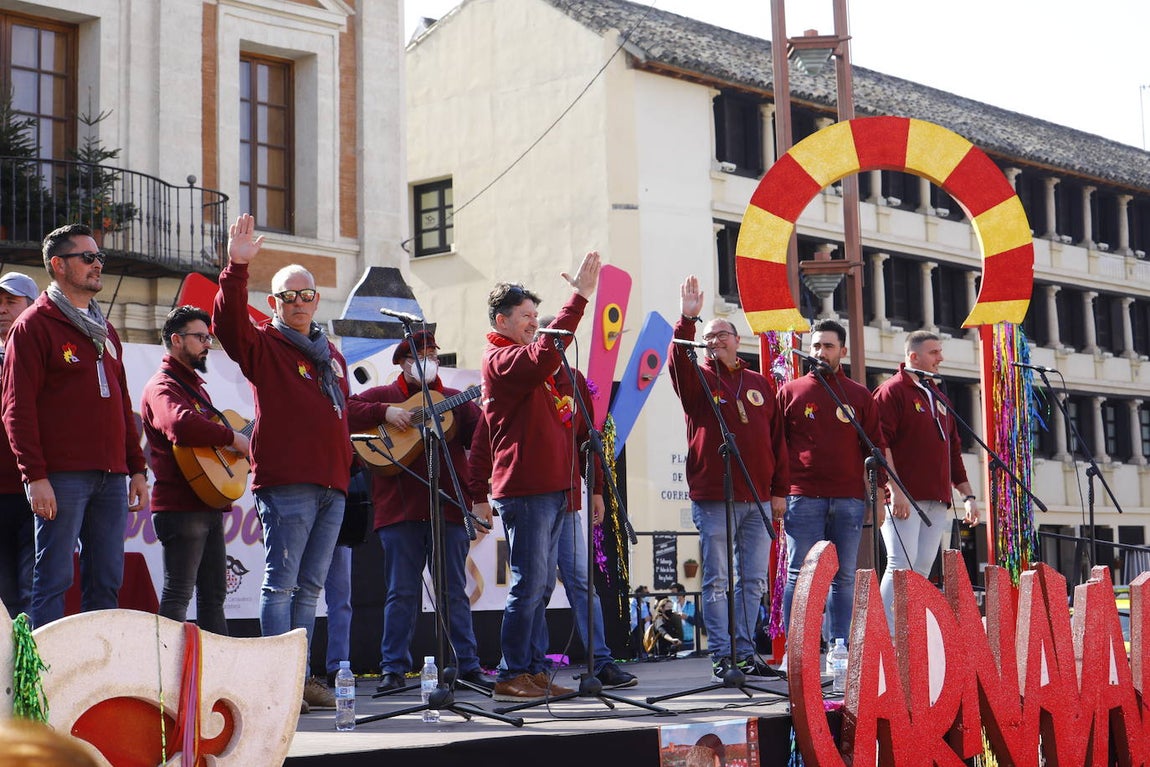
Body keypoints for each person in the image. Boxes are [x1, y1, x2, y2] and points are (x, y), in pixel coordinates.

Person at [213, 213, 378, 714]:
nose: (302, 303)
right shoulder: (265, 345)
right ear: (275, 304)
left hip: (333, 483)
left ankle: (300, 679)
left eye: (309, 295)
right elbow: (229, 327)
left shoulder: (331, 355)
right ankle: (274, 682)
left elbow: (344, 410)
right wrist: (235, 269)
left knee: (310, 590)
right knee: (281, 584)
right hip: (287, 483)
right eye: (291, 296)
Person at [468, 318, 637, 691]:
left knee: (580, 580)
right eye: (549, 340)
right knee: (535, 585)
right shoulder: (518, 377)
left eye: (560, 341)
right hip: (530, 494)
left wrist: (593, 490)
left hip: (566, 499)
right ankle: (528, 668)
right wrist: (478, 494)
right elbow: (485, 439)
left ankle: (600, 662)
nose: (554, 347)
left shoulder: (573, 379)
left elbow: (586, 440)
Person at [2, 225, 148, 628]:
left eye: (99, 257)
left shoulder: (107, 330)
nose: (98, 264)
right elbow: (17, 408)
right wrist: (34, 476)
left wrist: (136, 467)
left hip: (112, 477)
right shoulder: (33, 325)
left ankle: (97, 682)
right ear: (58, 265)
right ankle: (42, 685)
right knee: (51, 581)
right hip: (61, 477)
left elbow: (122, 403)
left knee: (106, 583)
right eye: (87, 257)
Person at [479, 253, 604, 702]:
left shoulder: (535, 366)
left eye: (537, 315)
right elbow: (543, 354)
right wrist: (579, 300)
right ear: (502, 320)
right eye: (527, 317)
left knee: (540, 585)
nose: (535, 323)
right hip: (526, 489)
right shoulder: (501, 360)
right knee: (528, 584)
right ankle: (512, 673)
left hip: (552, 489)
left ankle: (530, 670)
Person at [349, 329, 493, 693]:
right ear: (402, 363)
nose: (427, 360)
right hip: (399, 512)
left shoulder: (455, 400)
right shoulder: (383, 396)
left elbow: (483, 441)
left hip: (447, 508)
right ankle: (393, 669)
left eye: (432, 353)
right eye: (418, 355)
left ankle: (467, 665)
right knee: (402, 592)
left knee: (453, 591)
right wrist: (387, 412)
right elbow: (347, 411)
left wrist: (479, 493)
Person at [669, 275, 788, 681]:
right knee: (718, 579)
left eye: (723, 334)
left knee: (754, 580)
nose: (716, 340)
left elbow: (778, 442)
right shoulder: (697, 378)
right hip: (714, 496)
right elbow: (677, 361)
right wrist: (688, 320)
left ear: (738, 340)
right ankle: (723, 654)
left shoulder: (759, 384)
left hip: (757, 500)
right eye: (710, 335)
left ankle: (744, 652)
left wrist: (779, 491)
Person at [777, 318, 887, 645]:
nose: (820, 352)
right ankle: (798, 651)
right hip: (802, 497)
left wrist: (878, 496)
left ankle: (840, 650)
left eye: (828, 346)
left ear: (843, 350)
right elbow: (776, 448)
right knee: (800, 576)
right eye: (816, 346)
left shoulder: (859, 395)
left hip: (849, 500)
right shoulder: (790, 392)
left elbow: (875, 447)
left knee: (843, 578)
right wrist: (776, 493)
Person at [141, 306, 250, 635]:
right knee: (177, 597)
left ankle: (216, 679)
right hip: (180, 507)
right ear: (176, 340)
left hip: (207, 503)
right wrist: (231, 437)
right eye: (200, 337)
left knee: (214, 597)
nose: (207, 344)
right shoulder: (162, 386)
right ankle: (165, 683)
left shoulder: (194, 388)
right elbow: (180, 425)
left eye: (208, 337)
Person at [873, 330, 979, 630]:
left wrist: (968, 496)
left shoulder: (938, 395)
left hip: (937, 498)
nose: (940, 358)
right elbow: (881, 443)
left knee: (920, 570)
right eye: (934, 352)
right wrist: (895, 489)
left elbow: (953, 451)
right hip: (905, 497)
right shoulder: (892, 391)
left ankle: (910, 636)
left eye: (940, 352)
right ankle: (886, 636)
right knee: (900, 565)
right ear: (913, 356)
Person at [0, 271, 39, 618]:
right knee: (4, 598)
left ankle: (34, 672)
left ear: (32, 305)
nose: (1, 309)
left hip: (36, 491)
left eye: (11, 302)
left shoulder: (42, 353)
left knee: (32, 594)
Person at [669, 581, 698, 654]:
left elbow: (698, 622)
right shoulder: (671, 606)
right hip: (676, 641)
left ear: (681, 594)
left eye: (674, 593)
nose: (672, 595)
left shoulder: (691, 605)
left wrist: (686, 617)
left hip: (688, 641)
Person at [629, 585, 651, 660]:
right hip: (637, 628)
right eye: (645, 593)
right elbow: (633, 618)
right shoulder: (634, 602)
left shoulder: (646, 603)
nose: (647, 594)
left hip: (646, 628)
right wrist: (644, 620)